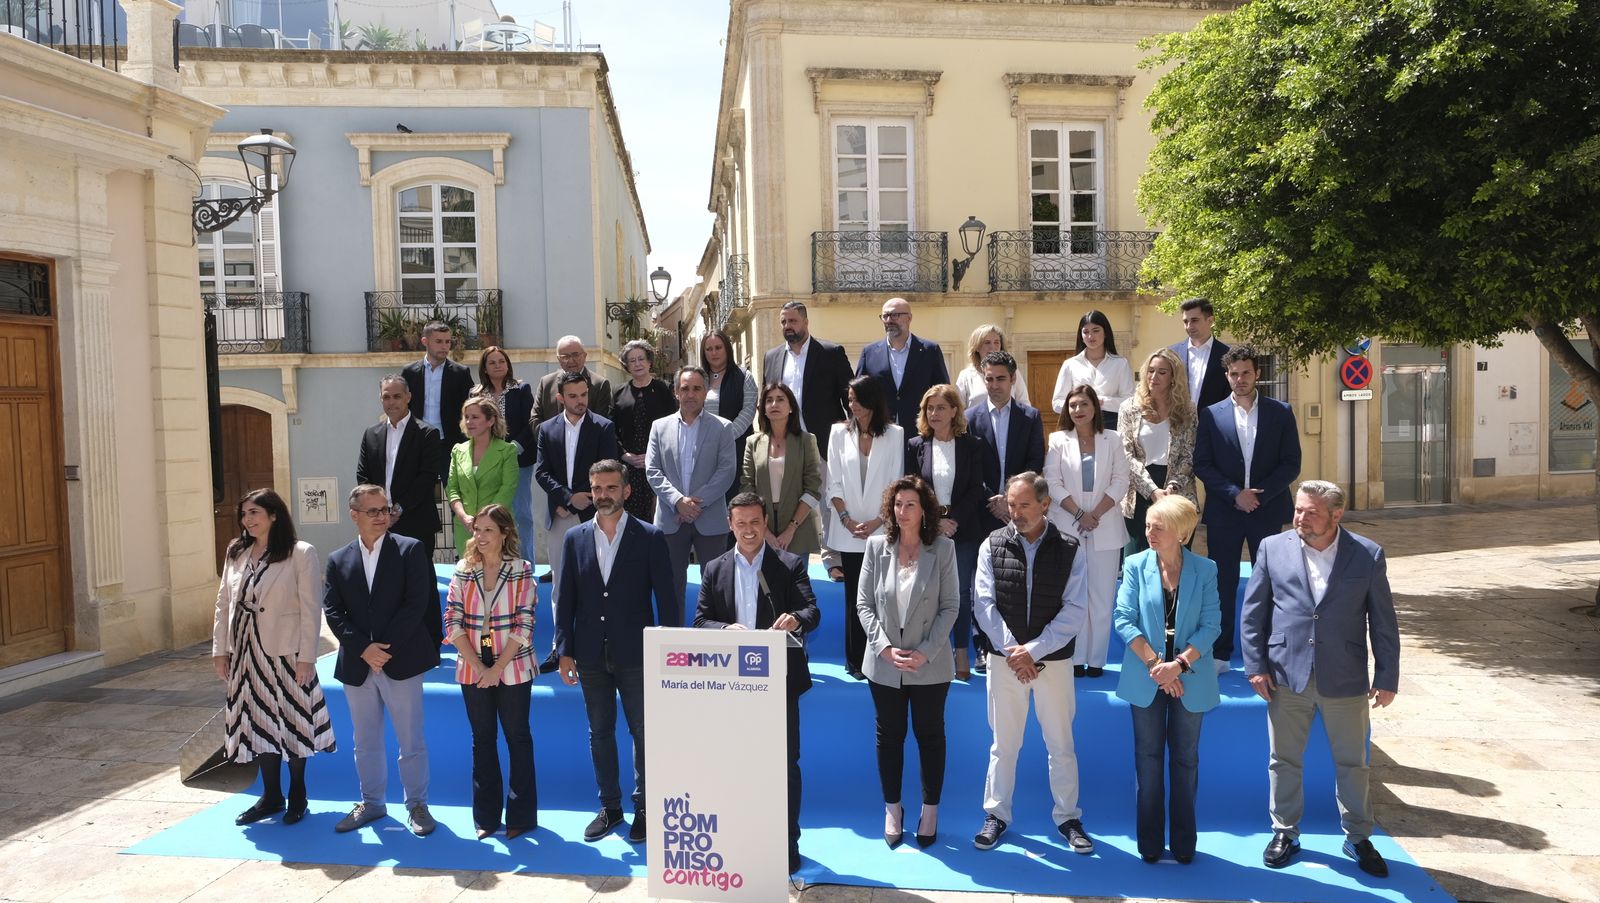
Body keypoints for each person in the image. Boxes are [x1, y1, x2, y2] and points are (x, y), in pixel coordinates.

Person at [1242, 481, 1400, 878]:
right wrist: (1255, 665)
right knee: (1284, 760)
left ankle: (1359, 837)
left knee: (1353, 762)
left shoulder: (1367, 554)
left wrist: (1387, 675)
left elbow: (1383, 621)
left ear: (1336, 515)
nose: (1300, 518)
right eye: (1298, 510)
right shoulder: (1271, 548)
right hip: (1284, 673)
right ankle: (1285, 833)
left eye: (1311, 512)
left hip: (1345, 675)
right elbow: (1253, 614)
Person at [693, 492, 820, 875]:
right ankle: (741, 841)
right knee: (736, 766)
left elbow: (811, 610)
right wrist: (724, 628)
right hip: (731, 688)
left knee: (783, 766)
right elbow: (700, 622)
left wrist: (795, 619)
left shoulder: (790, 563)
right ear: (730, 525)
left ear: (765, 522)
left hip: (779, 682)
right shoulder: (714, 568)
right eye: (741, 523)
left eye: (755, 522)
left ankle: (786, 844)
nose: (748, 531)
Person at [554, 459, 678, 844]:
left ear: (626, 491)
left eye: (611, 488)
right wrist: (564, 650)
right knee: (600, 733)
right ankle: (610, 807)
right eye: (597, 489)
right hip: (589, 654)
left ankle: (644, 807)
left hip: (637, 654)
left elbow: (668, 601)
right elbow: (566, 597)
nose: (603, 495)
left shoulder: (650, 536)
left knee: (645, 733)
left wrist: (667, 651)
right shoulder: (575, 539)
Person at [971, 472, 1092, 855]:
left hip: (1052, 663)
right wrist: (1014, 651)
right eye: (1011, 504)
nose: (1016, 512)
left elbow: (1074, 610)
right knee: (1003, 745)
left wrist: (1033, 651)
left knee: (1061, 745)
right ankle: (996, 815)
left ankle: (1068, 817)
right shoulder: (991, 544)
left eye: (1024, 504)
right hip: (1005, 662)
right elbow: (983, 604)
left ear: (1045, 504)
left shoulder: (1071, 548)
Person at [211, 488, 335, 826]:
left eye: (255, 513)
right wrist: (220, 650)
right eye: (245, 514)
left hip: (286, 651)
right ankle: (270, 796)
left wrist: (307, 657)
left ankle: (297, 793)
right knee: (256, 721)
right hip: (245, 651)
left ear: (274, 515)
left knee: (292, 720)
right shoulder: (236, 552)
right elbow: (224, 602)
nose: (247, 520)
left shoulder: (300, 553)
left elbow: (311, 609)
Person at [322, 485, 440, 836]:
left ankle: (417, 805)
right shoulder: (338, 559)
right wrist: (363, 649)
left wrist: (382, 649)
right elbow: (333, 610)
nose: (381, 516)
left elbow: (416, 603)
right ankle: (372, 803)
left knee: (410, 740)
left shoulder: (410, 550)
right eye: (372, 511)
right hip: (358, 665)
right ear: (354, 515)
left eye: (385, 509)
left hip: (400, 660)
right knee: (365, 740)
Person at [1112, 495, 1221, 865]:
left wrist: (1179, 666)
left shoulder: (1205, 570)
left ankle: (1185, 843)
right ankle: (1150, 844)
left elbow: (1211, 627)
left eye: (1158, 526)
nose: (1149, 532)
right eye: (1147, 525)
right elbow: (1124, 619)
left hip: (1190, 677)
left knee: (1186, 761)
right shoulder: (1133, 564)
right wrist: (1160, 666)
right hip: (1147, 676)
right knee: (1148, 760)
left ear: (1182, 532)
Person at [855, 475, 958, 849]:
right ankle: (893, 808)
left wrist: (925, 652)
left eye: (910, 504)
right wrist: (883, 648)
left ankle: (930, 810)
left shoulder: (943, 549)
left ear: (924, 509)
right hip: (884, 664)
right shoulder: (875, 546)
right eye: (897, 504)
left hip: (929, 664)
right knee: (889, 736)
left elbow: (951, 607)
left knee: (930, 737)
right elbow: (863, 604)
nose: (903, 511)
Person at [1193, 344, 1301, 672]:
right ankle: (1221, 653)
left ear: (1258, 373)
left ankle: (1267, 653)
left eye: (1246, 372)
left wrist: (1259, 496)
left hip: (1266, 511)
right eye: (1233, 373)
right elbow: (1203, 463)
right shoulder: (1211, 414)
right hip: (1225, 512)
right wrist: (1234, 494)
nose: (1240, 379)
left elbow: (1291, 463)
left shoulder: (1280, 412)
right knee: (1222, 583)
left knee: (1269, 582)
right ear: (1226, 376)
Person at [444, 503, 538, 840]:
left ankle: (521, 816)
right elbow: (452, 621)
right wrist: (478, 667)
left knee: (518, 738)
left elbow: (525, 623)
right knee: (482, 741)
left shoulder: (522, 569)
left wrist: (496, 668)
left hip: (512, 667)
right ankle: (486, 818)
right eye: (477, 529)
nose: (480, 536)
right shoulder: (462, 570)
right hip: (473, 670)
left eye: (488, 530)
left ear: (505, 533)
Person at [964, 350, 1045, 676]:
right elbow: (967, 467)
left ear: (1013, 380)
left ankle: (1017, 645)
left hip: (1021, 514)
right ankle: (983, 646)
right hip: (983, 511)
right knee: (981, 585)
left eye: (1001, 379)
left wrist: (1011, 501)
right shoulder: (969, 417)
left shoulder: (1030, 416)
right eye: (989, 379)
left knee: (1015, 583)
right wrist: (993, 499)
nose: (994, 385)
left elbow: (1035, 463)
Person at [533, 371, 620, 673]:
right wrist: (566, 498)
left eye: (583, 395)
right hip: (561, 515)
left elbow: (609, 471)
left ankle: (598, 647)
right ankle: (561, 648)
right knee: (559, 584)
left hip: (595, 516)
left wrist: (584, 499)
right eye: (573, 396)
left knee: (597, 582)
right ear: (560, 398)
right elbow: (542, 472)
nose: (580, 401)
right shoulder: (546, 429)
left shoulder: (603, 427)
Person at [762, 300, 854, 579]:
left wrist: (850, 424)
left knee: (829, 499)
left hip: (823, 440)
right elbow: (766, 398)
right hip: (785, 439)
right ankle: (786, 555)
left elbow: (849, 394)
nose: (787, 327)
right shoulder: (772, 356)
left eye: (792, 321)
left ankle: (832, 558)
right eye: (783, 322)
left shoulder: (830, 352)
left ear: (805, 322)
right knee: (789, 499)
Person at [904, 384, 990, 680]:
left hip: (964, 529)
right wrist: (934, 521)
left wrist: (953, 520)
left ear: (955, 410)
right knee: (927, 592)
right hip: (927, 529)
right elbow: (913, 488)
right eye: (929, 408)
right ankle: (932, 650)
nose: (934, 413)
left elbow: (976, 488)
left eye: (941, 407)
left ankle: (962, 649)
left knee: (962, 593)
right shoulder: (916, 445)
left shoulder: (972, 445)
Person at [1045, 384, 1129, 677]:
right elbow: (1052, 482)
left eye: (1083, 404)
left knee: (1102, 596)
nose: (1078, 410)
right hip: (1068, 523)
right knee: (1072, 593)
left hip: (1105, 523)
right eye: (1072, 406)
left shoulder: (1113, 439)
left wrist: (1095, 514)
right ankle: (1075, 657)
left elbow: (1120, 480)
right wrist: (1081, 513)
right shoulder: (1057, 440)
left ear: (1095, 407)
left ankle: (1096, 660)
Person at [826, 375, 905, 681]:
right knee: (853, 598)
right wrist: (846, 519)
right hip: (847, 530)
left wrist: (878, 521)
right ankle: (855, 660)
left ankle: (880, 657)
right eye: (849, 400)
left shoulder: (895, 434)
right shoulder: (837, 433)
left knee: (881, 597)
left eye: (857, 400)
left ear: (872, 400)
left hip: (881, 529)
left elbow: (897, 482)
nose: (852, 405)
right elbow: (832, 480)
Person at [646, 366, 738, 624]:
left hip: (711, 520)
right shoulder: (659, 427)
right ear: (676, 392)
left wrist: (696, 503)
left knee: (716, 586)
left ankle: (715, 641)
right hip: (670, 519)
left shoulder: (723, 427)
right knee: (670, 586)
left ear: (706, 392)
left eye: (697, 388)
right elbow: (653, 471)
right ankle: (672, 644)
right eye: (684, 388)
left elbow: (727, 470)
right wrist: (678, 501)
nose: (690, 394)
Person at [356, 376, 445, 577]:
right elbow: (363, 476)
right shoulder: (371, 434)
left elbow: (426, 478)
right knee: (382, 582)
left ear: (408, 397)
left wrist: (397, 509)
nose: (391, 402)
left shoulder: (427, 434)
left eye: (397, 396)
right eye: (386, 397)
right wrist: (377, 510)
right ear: (380, 399)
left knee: (418, 584)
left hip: (416, 521)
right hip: (377, 522)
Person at [1118, 349, 1197, 555]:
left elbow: (1189, 453)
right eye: (1150, 371)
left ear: (1173, 377)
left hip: (1177, 492)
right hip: (1139, 491)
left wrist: (1171, 489)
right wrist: (1152, 491)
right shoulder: (1129, 408)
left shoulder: (1188, 409)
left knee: (1174, 562)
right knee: (1136, 563)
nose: (1154, 377)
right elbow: (1125, 454)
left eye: (1162, 372)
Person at [470, 346, 538, 562]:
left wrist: (516, 446)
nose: (498, 365)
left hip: (518, 459)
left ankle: (526, 563)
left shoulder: (521, 388)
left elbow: (531, 422)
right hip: (487, 460)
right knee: (490, 514)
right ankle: (493, 562)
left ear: (508, 364)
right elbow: (471, 424)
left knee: (521, 514)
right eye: (492, 362)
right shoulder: (476, 393)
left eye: (501, 361)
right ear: (485, 368)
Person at [741, 382, 822, 556]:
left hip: (798, 528)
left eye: (780, 400)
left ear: (791, 407)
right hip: (762, 527)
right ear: (763, 409)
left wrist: (791, 529)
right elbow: (747, 486)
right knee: (764, 583)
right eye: (768, 400)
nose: (774, 405)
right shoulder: (752, 443)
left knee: (795, 582)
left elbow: (813, 488)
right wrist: (765, 531)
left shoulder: (807, 441)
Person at [856, 297, 950, 434]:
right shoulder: (869, 353)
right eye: (885, 316)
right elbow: (859, 394)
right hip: (880, 432)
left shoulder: (930, 351)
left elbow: (943, 392)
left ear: (909, 318)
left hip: (920, 432)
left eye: (895, 315)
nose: (889, 320)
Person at [612, 339, 678, 521]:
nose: (637, 364)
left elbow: (673, 426)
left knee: (658, 516)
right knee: (630, 517)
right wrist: (625, 455)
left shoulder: (663, 389)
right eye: (632, 360)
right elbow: (612, 429)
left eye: (641, 358)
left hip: (659, 464)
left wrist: (651, 455)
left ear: (649, 361)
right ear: (626, 365)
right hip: (629, 466)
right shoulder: (618, 392)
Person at [447, 396, 519, 558]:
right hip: (465, 527)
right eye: (466, 417)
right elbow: (452, 489)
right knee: (469, 579)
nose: (469, 421)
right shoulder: (458, 451)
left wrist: (486, 521)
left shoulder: (508, 451)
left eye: (475, 417)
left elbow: (507, 489)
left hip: (497, 526)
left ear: (490, 420)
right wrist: (464, 517)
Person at [401, 321, 473, 481]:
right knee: (417, 492)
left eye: (448, 342)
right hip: (419, 443)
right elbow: (403, 407)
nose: (444, 346)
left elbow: (471, 408)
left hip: (451, 444)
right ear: (425, 342)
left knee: (458, 494)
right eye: (439, 341)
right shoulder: (409, 372)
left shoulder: (461, 373)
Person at [1050, 310, 1135, 431]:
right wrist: (1080, 404)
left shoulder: (1120, 364)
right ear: (1081, 336)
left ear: (1105, 333)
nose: (1090, 336)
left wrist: (1101, 402)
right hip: (1078, 426)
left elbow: (1129, 402)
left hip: (1112, 426)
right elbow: (1057, 403)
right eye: (1086, 332)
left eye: (1096, 330)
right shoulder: (1070, 364)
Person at [703, 329, 758, 500]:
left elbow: (748, 411)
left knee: (736, 499)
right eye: (709, 349)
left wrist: (724, 438)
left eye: (718, 347)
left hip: (737, 448)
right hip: (705, 449)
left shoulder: (744, 376)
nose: (714, 352)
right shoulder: (699, 378)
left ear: (727, 348)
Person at [534, 335, 613, 424]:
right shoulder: (546, 383)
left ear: (584, 356)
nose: (571, 360)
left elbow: (601, 422)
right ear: (558, 359)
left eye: (575, 355)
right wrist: (547, 436)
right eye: (565, 357)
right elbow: (535, 418)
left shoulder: (600, 385)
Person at [1171, 297, 1232, 411]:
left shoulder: (1227, 354)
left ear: (1210, 321)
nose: (1189, 326)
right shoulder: (1172, 353)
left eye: (1194, 320)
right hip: (1179, 424)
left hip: (1214, 424)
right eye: (1185, 321)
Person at [954, 324, 1031, 409]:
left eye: (996, 342)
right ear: (977, 347)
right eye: (987, 343)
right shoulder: (966, 376)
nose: (992, 347)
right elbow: (958, 411)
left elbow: (1024, 404)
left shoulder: (1012, 372)